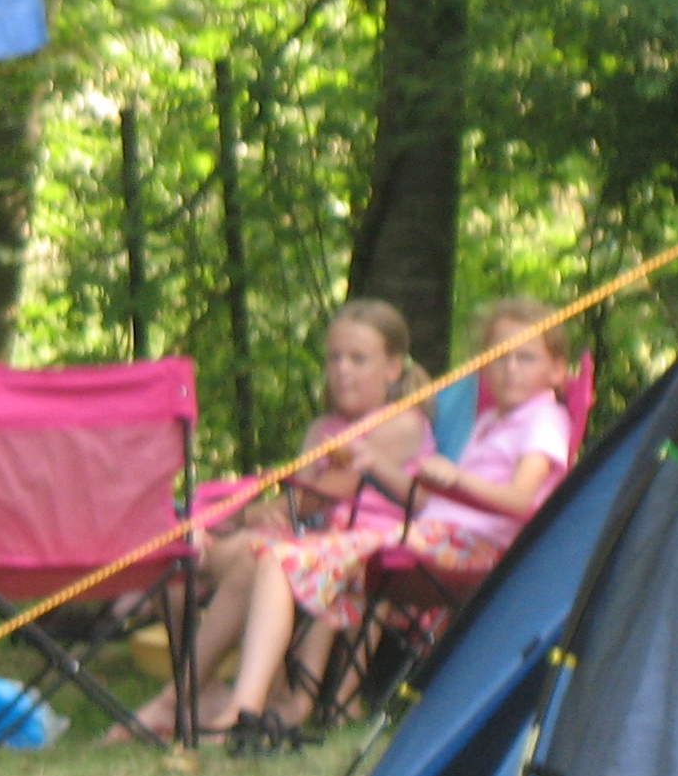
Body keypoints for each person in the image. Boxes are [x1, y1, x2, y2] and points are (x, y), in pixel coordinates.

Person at [210, 297, 575, 751]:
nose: (510, 368)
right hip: (430, 535)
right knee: (277, 558)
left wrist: (457, 477)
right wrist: (374, 463)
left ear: (558, 371)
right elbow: (429, 503)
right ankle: (248, 707)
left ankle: (254, 707)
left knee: (284, 558)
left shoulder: (544, 419)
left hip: (471, 550)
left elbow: (525, 502)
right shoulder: (492, 422)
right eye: (499, 356)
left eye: (526, 357)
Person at [122, 301, 430, 742]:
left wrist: (250, 519)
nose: (342, 370)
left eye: (358, 359)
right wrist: (235, 521)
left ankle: (178, 700)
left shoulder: (398, 425)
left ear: (393, 368)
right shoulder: (323, 426)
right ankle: (202, 690)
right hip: (308, 540)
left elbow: (318, 499)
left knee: (249, 556)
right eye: (334, 358)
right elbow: (296, 503)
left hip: (357, 553)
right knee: (179, 554)